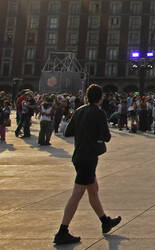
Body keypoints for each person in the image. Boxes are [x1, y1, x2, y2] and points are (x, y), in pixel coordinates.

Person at [54, 84, 121, 245]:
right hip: (88, 157)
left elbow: (67, 132)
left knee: (93, 190)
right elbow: (106, 136)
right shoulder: (98, 113)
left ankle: (105, 221)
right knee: (77, 194)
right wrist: (94, 134)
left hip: (78, 155)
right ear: (100, 98)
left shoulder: (79, 110)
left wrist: (83, 131)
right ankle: (62, 231)